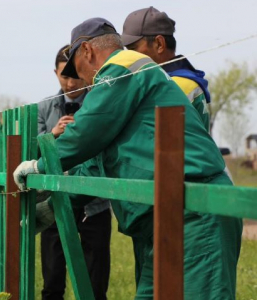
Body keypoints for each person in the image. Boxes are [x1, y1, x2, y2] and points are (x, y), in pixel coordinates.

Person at [14, 18, 242, 300]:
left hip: (193, 213)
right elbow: (96, 165)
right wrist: (53, 207)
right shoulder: (121, 95)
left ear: (87, 50)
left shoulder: (124, 66)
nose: (80, 80)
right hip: (162, 218)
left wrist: (40, 165)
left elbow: (86, 131)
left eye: (78, 70)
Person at [37, 45, 111, 300]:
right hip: (55, 197)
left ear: (83, 70)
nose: (70, 83)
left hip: (94, 202)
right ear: (55, 74)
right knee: (52, 277)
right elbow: (30, 148)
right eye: (63, 76)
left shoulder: (99, 102)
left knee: (95, 280)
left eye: (74, 76)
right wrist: (52, 134)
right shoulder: (44, 107)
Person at [122, 7, 210, 132]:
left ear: (159, 44)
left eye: (133, 48)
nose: (129, 56)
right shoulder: (184, 78)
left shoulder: (173, 85)